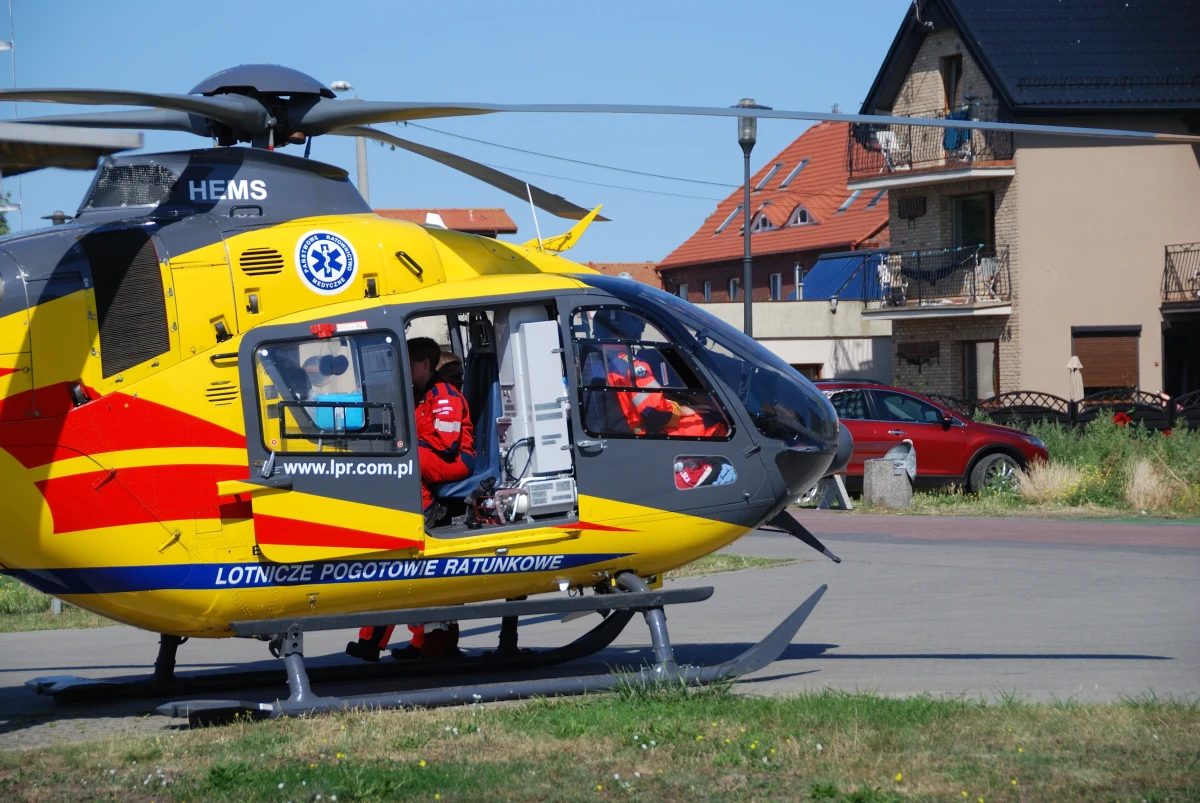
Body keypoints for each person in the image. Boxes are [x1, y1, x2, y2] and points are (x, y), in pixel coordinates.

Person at [346, 337, 473, 662]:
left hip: (456, 460)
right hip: (435, 456)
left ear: (425, 365)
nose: (403, 369)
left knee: (404, 461)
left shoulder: (443, 395)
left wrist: (405, 443)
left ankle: (427, 511)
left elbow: (446, 444)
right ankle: (386, 642)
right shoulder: (419, 395)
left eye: (409, 363)